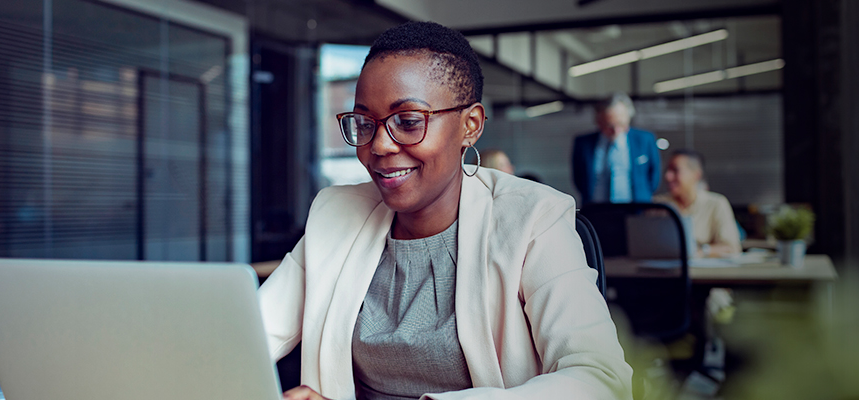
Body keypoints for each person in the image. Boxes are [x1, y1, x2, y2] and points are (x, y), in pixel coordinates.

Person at [259, 21, 632, 400]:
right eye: (365, 123)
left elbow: (599, 378)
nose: (380, 145)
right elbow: (249, 333)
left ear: (470, 125)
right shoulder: (336, 212)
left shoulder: (534, 218)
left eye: (407, 122)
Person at [570, 93, 660, 206]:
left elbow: (653, 178)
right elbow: (579, 179)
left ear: (628, 119)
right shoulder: (583, 143)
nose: (616, 131)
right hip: (596, 210)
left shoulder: (645, 140)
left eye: (621, 124)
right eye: (610, 126)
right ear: (599, 121)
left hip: (636, 210)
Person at [653, 150, 741, 258]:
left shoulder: (716, 203)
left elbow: (732, 247)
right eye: (667, 170)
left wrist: (701, 251)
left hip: (703, 273)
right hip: (663, 272)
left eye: (675, 170)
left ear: (696, 175)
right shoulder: (658, 205)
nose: (668, 176)